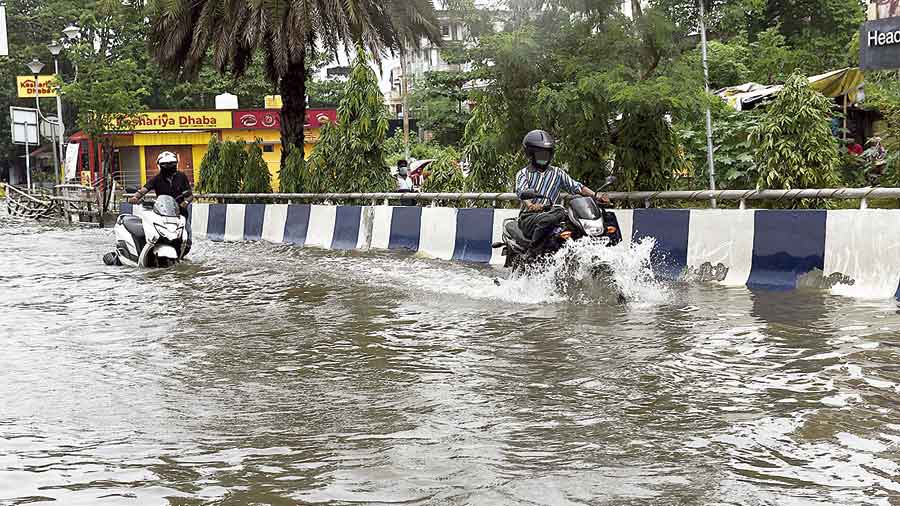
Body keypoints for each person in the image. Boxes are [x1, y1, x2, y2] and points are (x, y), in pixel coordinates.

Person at [515, 129, 609, 250]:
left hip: (554, 213)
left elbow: (577, 187)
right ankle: (533, 252)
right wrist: (531, 205)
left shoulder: (557, 173)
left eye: (547, 154)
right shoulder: (523, 174)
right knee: (547, 219)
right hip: (529, 216)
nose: (545, 157)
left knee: (601, 218)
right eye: (541, 154)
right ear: (530, 154)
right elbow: (521, 192)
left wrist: (597, 196)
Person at [130, 151, 193, 244]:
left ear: (175, 164)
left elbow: (189, 195)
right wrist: (135, 197)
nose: (168, 167)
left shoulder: (181, 177)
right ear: (160, 165)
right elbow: (145, 189)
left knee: (186, 232)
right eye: (165, 165)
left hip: (180, 211)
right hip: (162, 213)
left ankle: (187, 244)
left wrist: (186, 202)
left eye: (171, 164)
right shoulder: (156, 179)